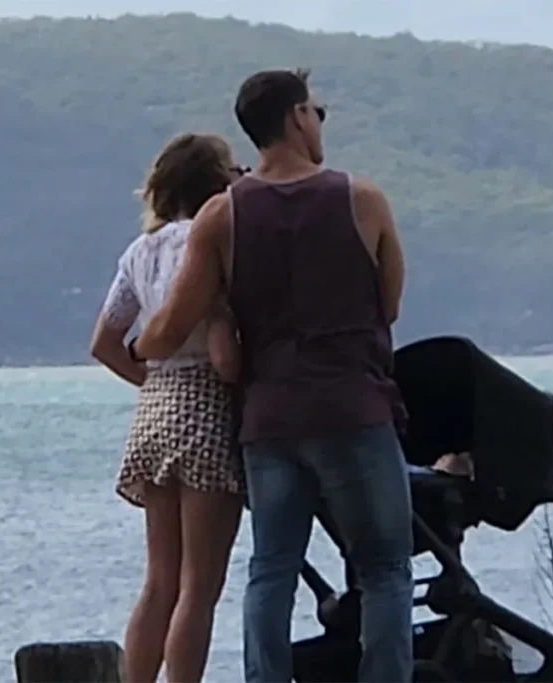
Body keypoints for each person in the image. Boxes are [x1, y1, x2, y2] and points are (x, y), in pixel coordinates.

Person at [130, 68, 413, 683]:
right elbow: (389, 306)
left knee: (271, 571)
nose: (319, 123)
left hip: (269, 421)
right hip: (353, 410)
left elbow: (170, 326)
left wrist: (141, 344)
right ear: (295, 117)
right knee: (385, 569)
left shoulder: (221, 217)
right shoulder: (362, 200)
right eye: (316, 112)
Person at [89, 133, 249, 683]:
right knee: (198, 587)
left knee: (159, 581)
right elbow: (224, 358)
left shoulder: (141, 251)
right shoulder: (216, 241)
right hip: (205, 409)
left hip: (154, 407)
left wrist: (155, 380)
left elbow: (105, 343)